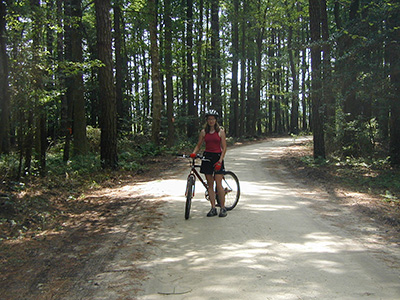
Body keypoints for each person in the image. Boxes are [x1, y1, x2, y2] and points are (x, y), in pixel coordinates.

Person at [191, 109, 227, 217]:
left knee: (218, 183)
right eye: (209, 119)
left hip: (217, 157)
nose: (211, 121)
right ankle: (213, 208)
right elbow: (199, 145)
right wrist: (194, 153)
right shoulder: (203, 132)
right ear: (207, 120)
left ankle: (223, 208)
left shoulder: (220, 131)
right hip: (207, 157)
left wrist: (220, 161)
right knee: (210, 185)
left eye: (213, 119)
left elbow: (224, 148)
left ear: (216, 120)